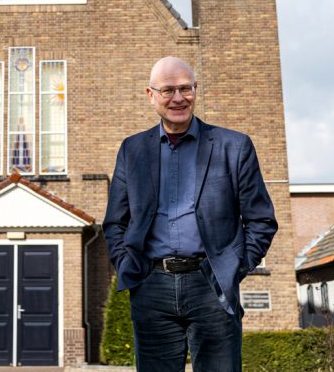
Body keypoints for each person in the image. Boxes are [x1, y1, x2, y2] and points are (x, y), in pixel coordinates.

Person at [103, 56, 277, 371]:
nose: (178, 98)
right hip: (152, 285)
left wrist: (233, 268)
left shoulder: (234, 147)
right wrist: (130, 267)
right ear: (151, 95)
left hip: (212, 286)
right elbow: (116, 222)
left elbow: (261, 219)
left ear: (195, 89)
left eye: (185, 88)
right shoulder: (132, 150)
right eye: (168, 90)